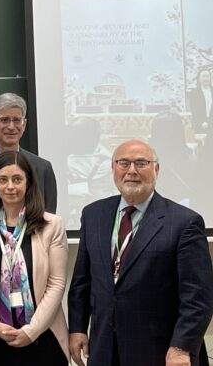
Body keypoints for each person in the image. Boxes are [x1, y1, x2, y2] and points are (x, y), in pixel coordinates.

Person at [68, 140, 213, 366]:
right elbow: (81, 282)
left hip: (160, 352)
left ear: (156, 169)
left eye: (141, 163)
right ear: (113, 168)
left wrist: (181, 347)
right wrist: (77, 329)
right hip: (104, 348)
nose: (131, 171)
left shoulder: (185, 222)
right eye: (124, 163)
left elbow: (198, 298)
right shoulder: (93, 214)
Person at [0, 151, 69, 365]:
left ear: (28, 182)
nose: (10, 186)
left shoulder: (51, 225)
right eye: (3, 179)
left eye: (17, 179)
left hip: (43, 336)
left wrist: (32, 330)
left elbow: (56, 284)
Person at [186, 68, 212, 133]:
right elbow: (194, 110)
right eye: (203, 76)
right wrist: (202, 122)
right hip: (200, 124)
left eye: (207, 76)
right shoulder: (194, 93)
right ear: (199, 79)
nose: (206, 79)